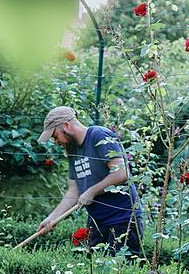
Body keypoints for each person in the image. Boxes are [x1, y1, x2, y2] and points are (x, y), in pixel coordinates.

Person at [36, 106, 144, 257]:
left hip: (123, 220)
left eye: (55, 136)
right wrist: (52, 218)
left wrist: (92, 191)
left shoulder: (99, 136)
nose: (55, 142)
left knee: (121, 273)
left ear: (66, 126)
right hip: (97, 222)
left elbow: (121, 173)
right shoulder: (72, 149)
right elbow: (74, 191)